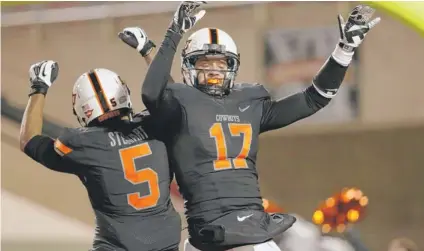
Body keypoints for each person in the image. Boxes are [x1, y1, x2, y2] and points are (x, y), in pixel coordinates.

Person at [120, 2, 380, 250]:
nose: (214, 70)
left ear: (233, 66)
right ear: (190, 67)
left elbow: (314, 98)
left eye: (221, 63)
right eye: (205, 63)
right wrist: (173, 31)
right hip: (208, 231)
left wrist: (344, 50)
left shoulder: (249, 102)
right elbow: (153, 93)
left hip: (251, 227)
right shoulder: (180, 104)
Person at [19, 61, 181, 251]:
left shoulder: (84, 143)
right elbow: (175, 99)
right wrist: (148, 51)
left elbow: (29, 140)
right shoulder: (154, 125)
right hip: (166, 244)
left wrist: (39, 87)